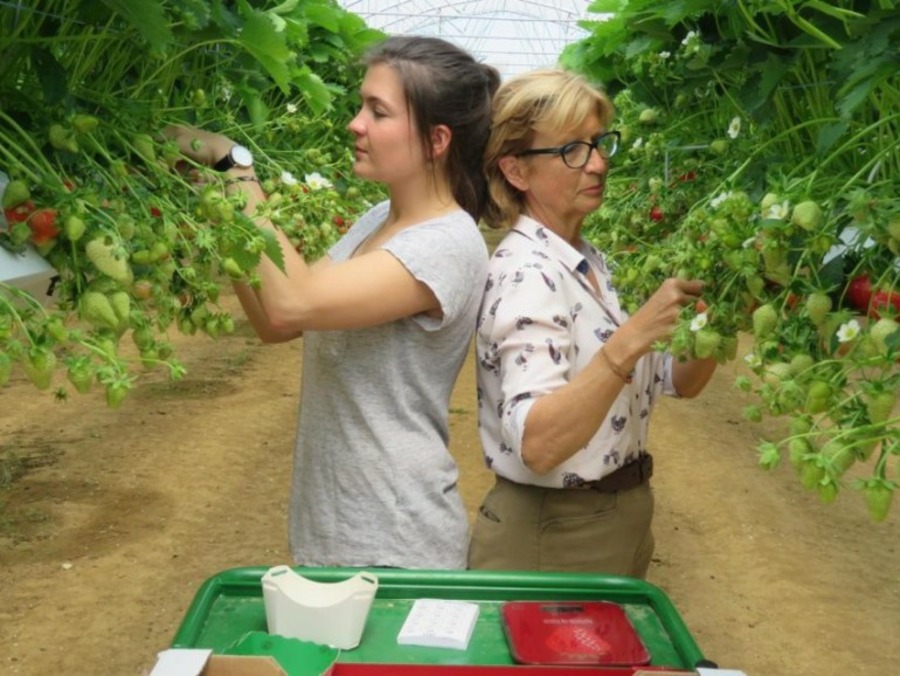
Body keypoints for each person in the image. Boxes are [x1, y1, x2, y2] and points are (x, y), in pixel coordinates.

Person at [167, 36, 501, 569]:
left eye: (378, 111)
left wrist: (236, 166)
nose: (355, 123)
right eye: (360, 105)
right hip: (339, 528)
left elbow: (290, 303)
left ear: (437, 139)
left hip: (395, 540)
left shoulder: (445, 244)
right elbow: (275, 324)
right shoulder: (378, 220)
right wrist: (220, 205)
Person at [467, 69, 717, 578]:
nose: (598, 163)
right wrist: (630, 339)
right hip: (554, 537)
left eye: (599, 144)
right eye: (572, 150)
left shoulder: (586, 260)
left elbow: (677, 381)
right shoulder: (528, 273)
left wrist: (718, 316)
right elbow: (538, 444)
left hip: (613, 520)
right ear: (516, 170)